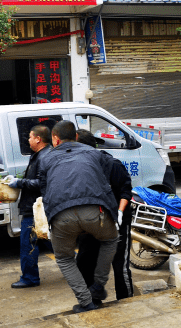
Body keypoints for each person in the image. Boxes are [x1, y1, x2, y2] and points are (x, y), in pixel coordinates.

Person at [38, 120, 120, 313]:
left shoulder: (46, 159)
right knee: (110, 240)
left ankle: (86, 302)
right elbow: (111, 172)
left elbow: (43, 188)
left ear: (55, 139)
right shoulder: (94, 153)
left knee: (65, 258)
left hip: (61, 215)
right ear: (76, 136)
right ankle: (98, 286)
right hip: (95, 212)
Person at [74, 130, 134, 302]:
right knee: (85, 261)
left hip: (116, 221)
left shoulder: (112, 165)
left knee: (119, 266)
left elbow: (125, 191)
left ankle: (128, 302)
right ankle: (91, 301)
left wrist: (120, 213)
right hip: (91, 222)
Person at [2, 124, 52, 289]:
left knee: (28, 245)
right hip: (36, 207)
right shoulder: (39, 155)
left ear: (38, 139)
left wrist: (19, 183)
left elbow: (42, 182)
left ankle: (30, 278)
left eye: (30, 137)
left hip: (36, 209)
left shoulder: (44, 157)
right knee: (51, 243)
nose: (28, 140)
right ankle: (80, 264)